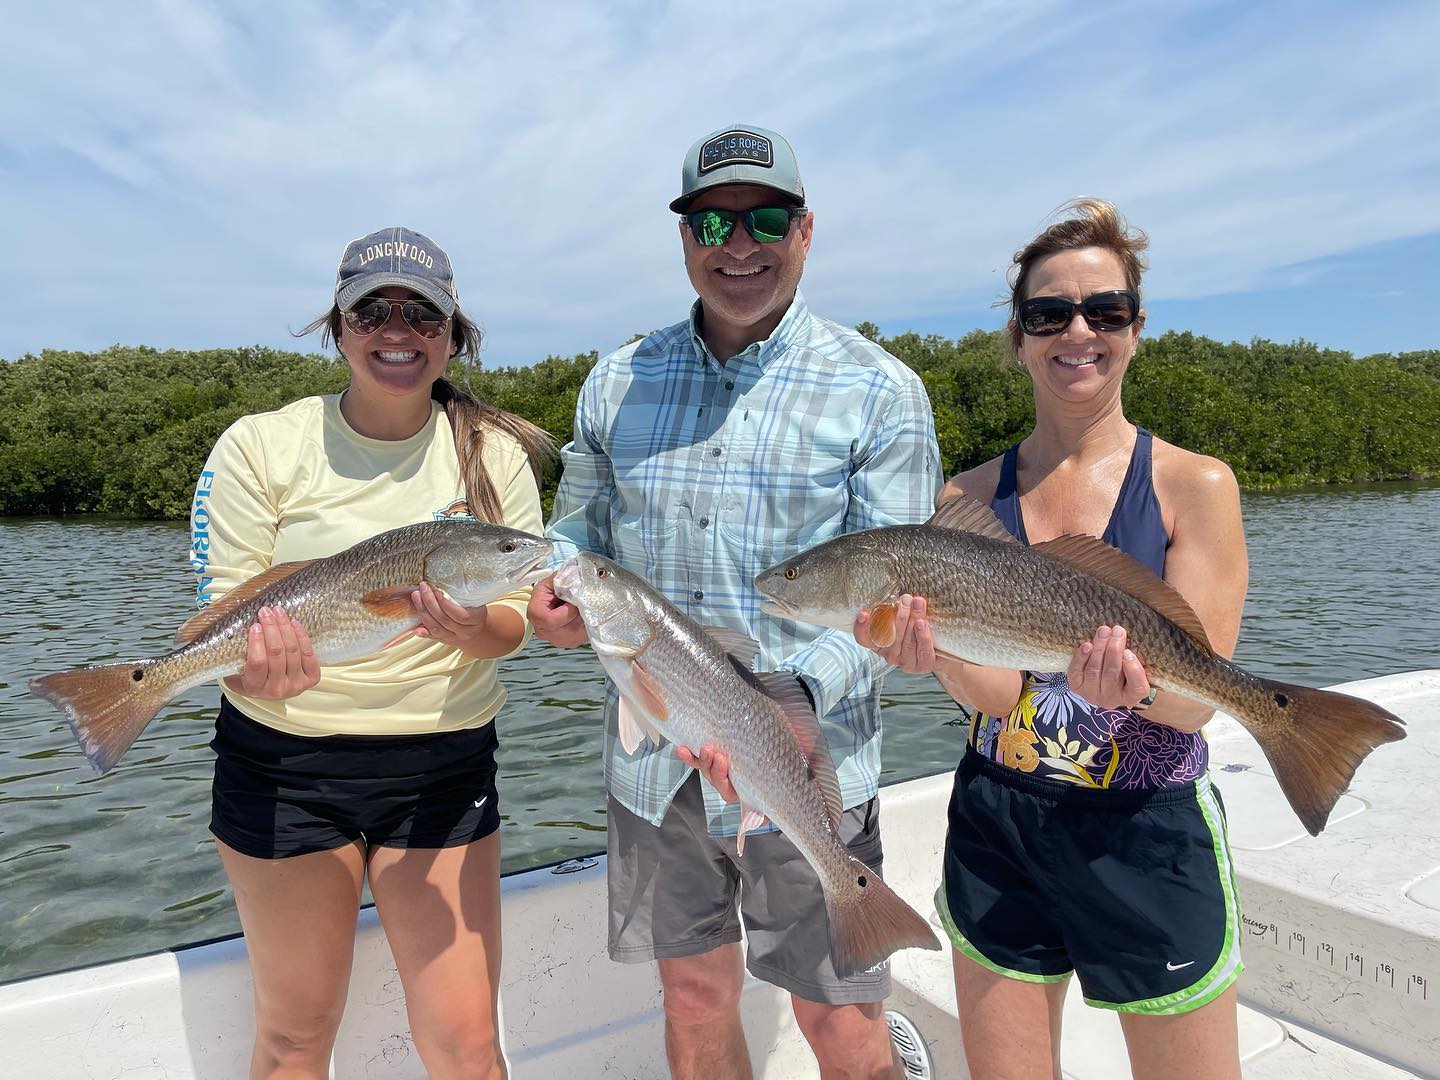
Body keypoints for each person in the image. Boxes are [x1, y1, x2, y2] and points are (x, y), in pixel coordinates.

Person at [528, 125, 943, 1079]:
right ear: (683, 238)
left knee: (841, 1024)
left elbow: (897, 603)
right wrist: (556, 596)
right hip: (654, 764)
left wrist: (790, 702)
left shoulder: (881, 392)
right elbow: (574, 540)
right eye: (711, 220)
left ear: (804, 231)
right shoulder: (616, 380)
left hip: (810, 762)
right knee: (695, 995)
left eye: (764, 219)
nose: (738, 245)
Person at [856, 199, 1247, 1080]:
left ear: (1137, 330)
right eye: (1049, 313)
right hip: (1000, 822)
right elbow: (1000, 701)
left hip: (1147, 832)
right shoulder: (964, 497)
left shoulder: (1196, 485)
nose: (1079, 331)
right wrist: (941, 652)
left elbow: (1192, 706)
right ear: (1020, 335)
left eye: (1104, 311)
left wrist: (1137, 691)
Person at [190, 227, 552, 1080]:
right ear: (339, 326)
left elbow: (516, 622)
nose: (399, 328)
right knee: (293, 1037)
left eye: (424, 312)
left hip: (442, 767)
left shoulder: (496, 454)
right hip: (280, 767)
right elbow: (224, 614)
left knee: (467, 1044)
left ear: (454, 334)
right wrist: (255, 668)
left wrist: (474, 629)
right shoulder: (259, 444)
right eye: (374, 309)